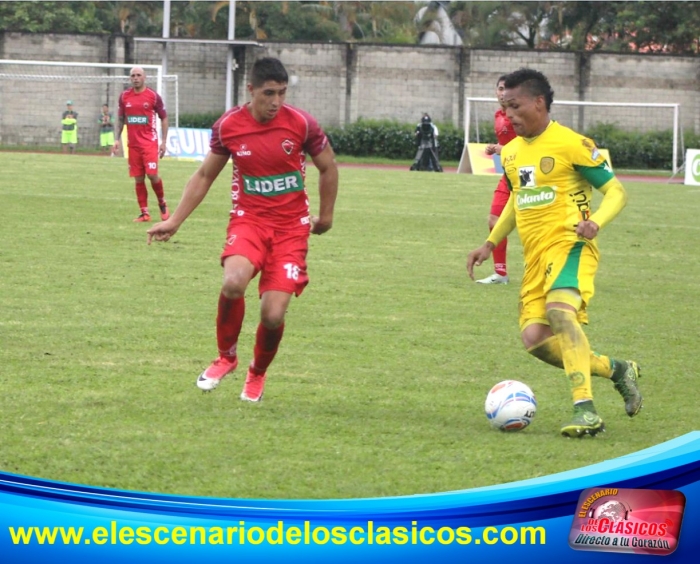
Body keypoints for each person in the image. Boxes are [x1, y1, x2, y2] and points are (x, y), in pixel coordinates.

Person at [146, 57, 338, 403]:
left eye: (282, 93)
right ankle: (226, 358)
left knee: (273, 314)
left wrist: (325, 217)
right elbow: (205, 175)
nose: (276, 101)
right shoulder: (229, 126)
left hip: (291, 229)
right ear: (251, 90)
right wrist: (174, 220)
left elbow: (328, 167)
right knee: (233, 282)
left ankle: (257, 373)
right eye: (269, 93)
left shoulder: (301, 124)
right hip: (249, 220)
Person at [466, 68, 642, 438]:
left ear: (539, 103)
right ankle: (617, 369)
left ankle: (586, 410)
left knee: (560, 313)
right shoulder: (512, 152)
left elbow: (616, 192)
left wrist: (595, 222)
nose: (508, 115)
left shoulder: (572, 144)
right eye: (504, 108)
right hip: (534, 259)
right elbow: (517, 200)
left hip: (571, 246)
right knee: (535, 341)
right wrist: (489, 243)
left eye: (514, 106)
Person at [114, 66, 169, 222]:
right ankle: (144, 213)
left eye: (138, 75)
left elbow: (164, 117)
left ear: (144, 77)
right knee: (138, 178)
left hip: (149, 143)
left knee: (152, 175)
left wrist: (164, 142)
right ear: (130, 78)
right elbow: (120, 119)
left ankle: (162, 203)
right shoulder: (124, 97)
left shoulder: (153, 96)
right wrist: (117, 139)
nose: (135, 78)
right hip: (133, 145)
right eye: (133, 76)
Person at [477, 76, 516, 285]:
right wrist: (496, 147)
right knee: (494, 220)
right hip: (508, 176)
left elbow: (530, 143)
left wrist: (504, 149)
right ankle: (500, 273)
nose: (503, 93)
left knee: (535, 227)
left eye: (507, 89)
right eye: (500, 88)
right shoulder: (498, 115)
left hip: (527, 177)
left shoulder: (520, 114)